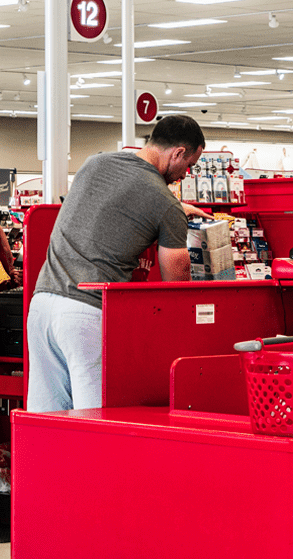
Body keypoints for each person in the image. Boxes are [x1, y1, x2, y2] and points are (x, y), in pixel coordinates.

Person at [27, 114, 203, 414]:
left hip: (42, 304)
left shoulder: (94, 163)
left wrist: (173, 210)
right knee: (95, 420)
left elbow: (112, 205)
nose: (186, 174)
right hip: (86, 313)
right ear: (177, 153)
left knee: (46, 419)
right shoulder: (166, 204)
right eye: (189, 165)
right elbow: (177, 281)